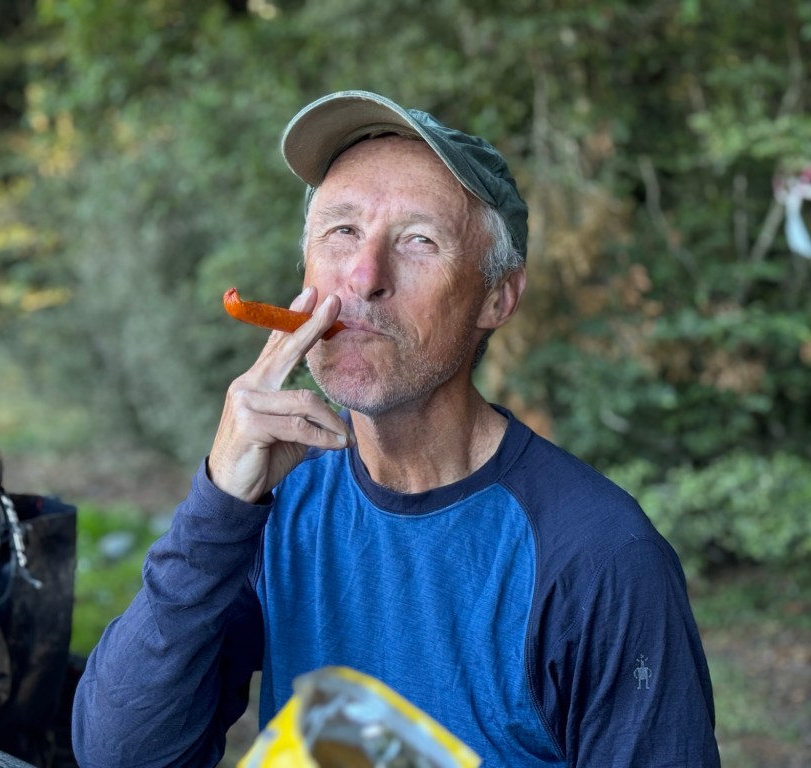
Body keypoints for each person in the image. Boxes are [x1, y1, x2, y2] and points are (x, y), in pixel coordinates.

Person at [72, 90, 720, 767]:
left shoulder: (599, 556)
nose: (364, 276)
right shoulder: (278, 500)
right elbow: (120, 755)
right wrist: (219, 505)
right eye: (341, 231)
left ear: (497, 298)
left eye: (418, 241)